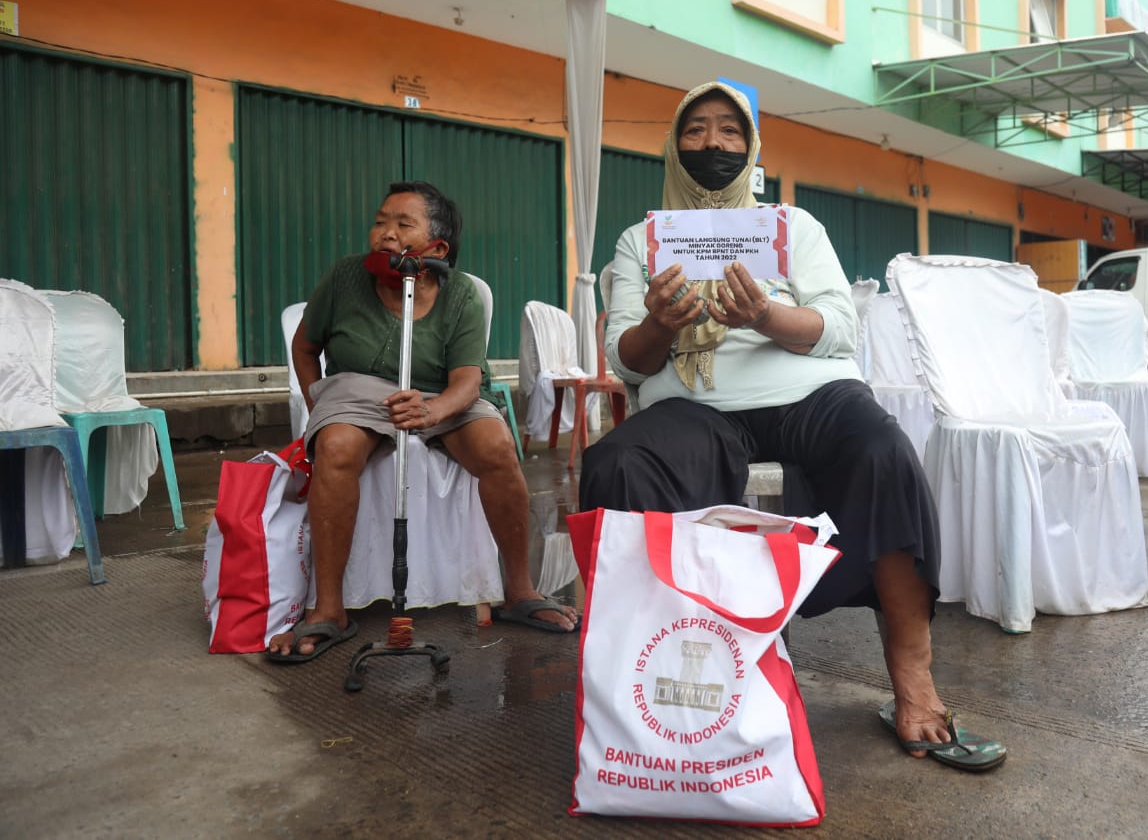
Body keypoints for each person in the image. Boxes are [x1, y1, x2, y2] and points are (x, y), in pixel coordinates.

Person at [579, 82, 1005, 770]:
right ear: (673, 146)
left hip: (807, 390)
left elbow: (839, 328)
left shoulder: (792, 227)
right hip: (695, 404)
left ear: (750, 147)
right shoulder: (642, 240)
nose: (713, 144)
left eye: (728, 131)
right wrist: (661, 322)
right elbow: (625, 360)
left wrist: (765, 316)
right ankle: (669, 684)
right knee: (617, 465)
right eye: (695, 131)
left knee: (882, 450)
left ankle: (915, 680)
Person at [268, 180, 577, 662]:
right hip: (357, 390)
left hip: (441, 395)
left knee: (496, 447)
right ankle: (328, 608)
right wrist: (321, 407)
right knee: (336, 448)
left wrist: (433, 410)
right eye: (380, 221)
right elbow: (305, 347)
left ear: (437, 246)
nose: (385, 234)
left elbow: (467, 382)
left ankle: (519, 591)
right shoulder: (344, 277)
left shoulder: (461, 295)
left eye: (402, 224)